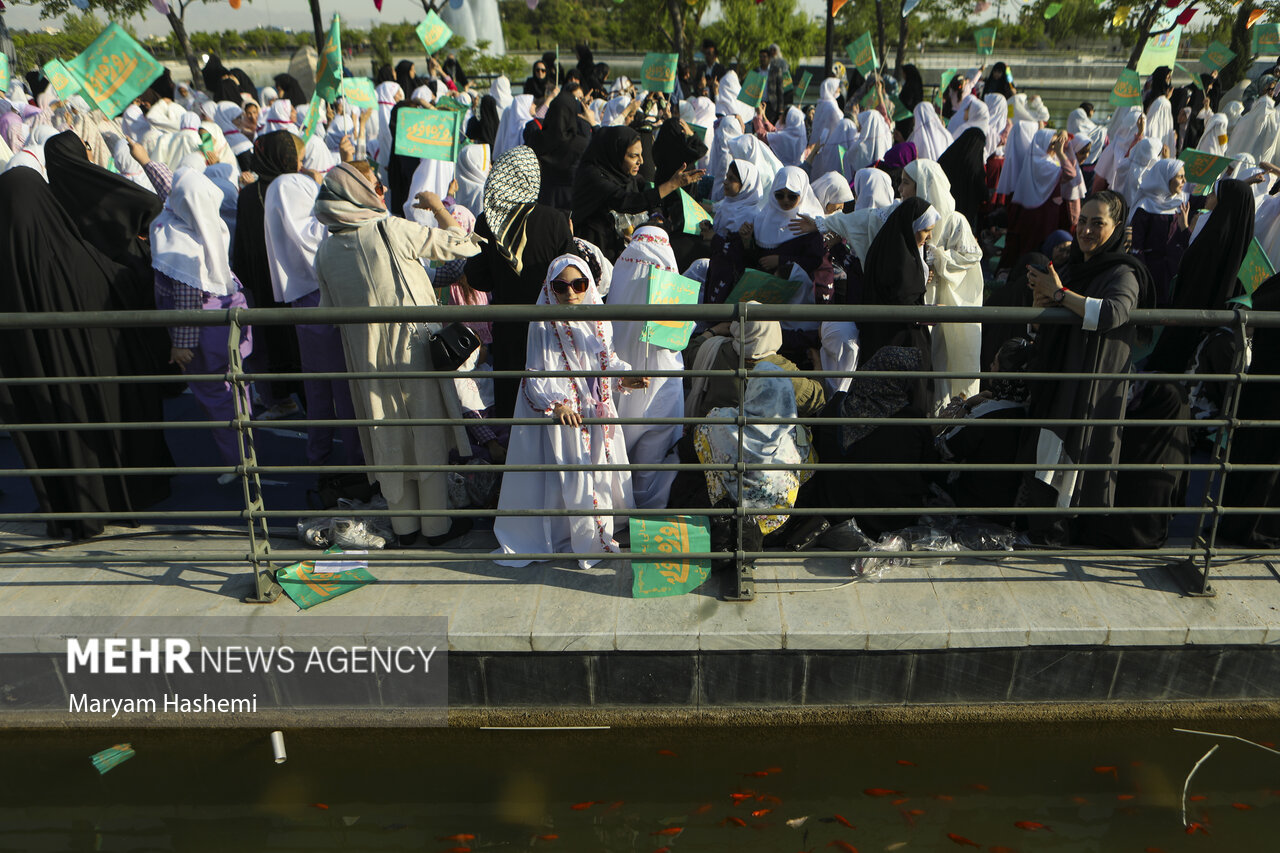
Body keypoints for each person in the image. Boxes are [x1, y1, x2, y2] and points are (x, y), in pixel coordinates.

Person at [313, 163, 482, 547]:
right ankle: (436, 528)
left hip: (365, 360)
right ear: (358, 193)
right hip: (413, 351)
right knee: (427, 435)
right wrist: (441, 209)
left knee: (387, 438)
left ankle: (405, 529)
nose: (383, 189)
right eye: (375, 184)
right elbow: (462, 245)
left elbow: (327, 312)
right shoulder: (390, 228)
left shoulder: (325, 250)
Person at [0, 166, 172, 539]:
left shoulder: (7, 270)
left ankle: (71, 509)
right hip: (96, 377)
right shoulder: (80, 256)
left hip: (42, 386)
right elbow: (122, 286)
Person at [494, 255, 647, 568]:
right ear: (551, 289)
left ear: (589, 283)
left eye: (578, 284)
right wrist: (557, 404)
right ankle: (580, 537)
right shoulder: (543, 325)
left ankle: (604, 528)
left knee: (600, 472)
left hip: (596, 409)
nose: (571, 293)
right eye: (561, 287)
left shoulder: (598, 319)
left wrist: (625, 377)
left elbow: (608, 361)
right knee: (571, 477)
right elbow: (535, 374)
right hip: (567, 415)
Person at [1021, 190, 1155, 545]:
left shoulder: (1124, 272)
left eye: (1098, 223)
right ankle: (1044, 531)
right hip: (1059, 378)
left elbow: (1112, 313)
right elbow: (1047, 324)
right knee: (1046, 459)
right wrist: (1041, 305)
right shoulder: (1072, 267)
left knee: (1068, 464)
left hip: (1087, 386)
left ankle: (1058, 534)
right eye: (1082, 221)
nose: (1087, 230)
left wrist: (1060, 294)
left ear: (1116, 228)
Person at [151, 165, 254, 480]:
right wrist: (145, 160)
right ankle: (248, 450)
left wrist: (181, 344)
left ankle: (238, 461)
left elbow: (186, 303)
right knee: (236, 387)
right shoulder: (207, 222)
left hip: (202, 331)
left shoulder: (179, 244)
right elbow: (175, 189)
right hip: (228, 315)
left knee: (214, 393)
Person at [263, 167, 363, 470]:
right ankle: (359, 463)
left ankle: (319, 461)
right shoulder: (315, 227)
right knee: (345, 391)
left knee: (318, 391)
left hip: (301, 303)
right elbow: (323, 237)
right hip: (325, 300)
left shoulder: (278, 209)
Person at [466, 146, 575, 419]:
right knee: (549, 400)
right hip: (549, 330)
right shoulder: (556, 220)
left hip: (508, 328)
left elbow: (477, 278)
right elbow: (570, 277)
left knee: (513, 406)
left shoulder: (488, 222)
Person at [804, 345, 937, 537]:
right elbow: (930, 471)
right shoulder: (912, 421)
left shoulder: (836, 406)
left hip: (832, 519)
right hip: (890, 524)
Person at [605, 227, 685, 510]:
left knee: (618, 447)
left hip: (623, 384)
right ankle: (648, 512)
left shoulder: (623, 270)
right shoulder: (671, 279)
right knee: (653, 456)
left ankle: (618, 507)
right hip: (661, 385)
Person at [1147, 178, 1255, 372]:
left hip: (1189, 319)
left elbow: (1197, 279)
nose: (1208, 197)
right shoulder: (1236, 237)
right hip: (1206, 324)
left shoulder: (1214, 237)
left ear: (1224, 201)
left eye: (1213, 194)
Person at [902, 159, 984, 406]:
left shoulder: (953, 221)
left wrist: (938, 258)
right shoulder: (904, 218)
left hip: (944, 302)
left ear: (923, 187)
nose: (900, 190)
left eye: (906, 183)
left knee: (944, 362)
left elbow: (971, 256)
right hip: (918, 303)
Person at [571, 125, 703, 261]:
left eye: (641, 154)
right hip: (594, 249)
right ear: (615, 152)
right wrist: (672, 184)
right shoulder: (593, 176)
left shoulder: (626, 177)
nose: (641, 161)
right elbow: (626, 201)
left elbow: (645, 199)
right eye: (634, 156)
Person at [857, 197, 939, 412]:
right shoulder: (898, 257)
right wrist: (930, 313)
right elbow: (903, 302)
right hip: (898, 341)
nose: (929, 236)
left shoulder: (893, 246)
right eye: (925, 230)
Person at [684, 310, 826, 418]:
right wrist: (818, 363)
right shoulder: (779, 367)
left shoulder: (714, 350)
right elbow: (815, 399)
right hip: (762, 447)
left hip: (714, 439)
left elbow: (689, 352)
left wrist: (713, 330)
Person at [1127, 158, 1189, 307]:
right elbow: (1137, 247)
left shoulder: (1180, 203)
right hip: (1151, 274)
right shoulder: (1144, 208)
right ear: (1165, 178)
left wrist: (1185, 227)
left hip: (1173, 272)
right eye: (1180, 176)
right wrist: (1144, 278)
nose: (1184, 181)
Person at [703, 159, 765, 305]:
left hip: (732, 278)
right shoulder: (727, 204)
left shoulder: (751, 215)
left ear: (745, 185)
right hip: (717, 269)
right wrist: (709, 228)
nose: (725, 182)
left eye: (732, 179)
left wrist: (714, 239)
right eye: (726, 177)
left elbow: (739, 253)